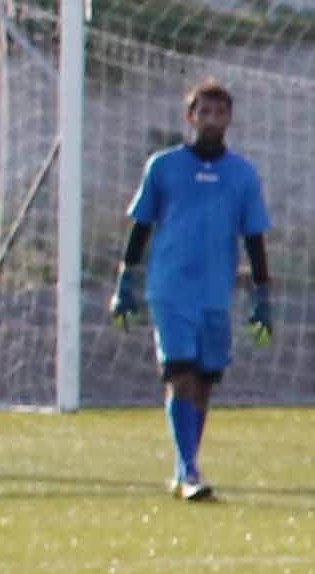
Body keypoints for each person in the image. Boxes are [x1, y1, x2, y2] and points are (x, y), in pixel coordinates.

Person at [113, 79, 274, 500]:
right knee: (180, 375)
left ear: (230, 119)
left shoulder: (242, 174)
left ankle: (185, 467)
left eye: (220, 112)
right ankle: (188, 472)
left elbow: (254, 237)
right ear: (191, 117)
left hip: (214, 293)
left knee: (203, 383)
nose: (212, 120)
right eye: (204, 112)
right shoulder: (163, 167)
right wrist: (124, 281)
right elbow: (141, 226)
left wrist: (262, 295)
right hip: (169, 289)